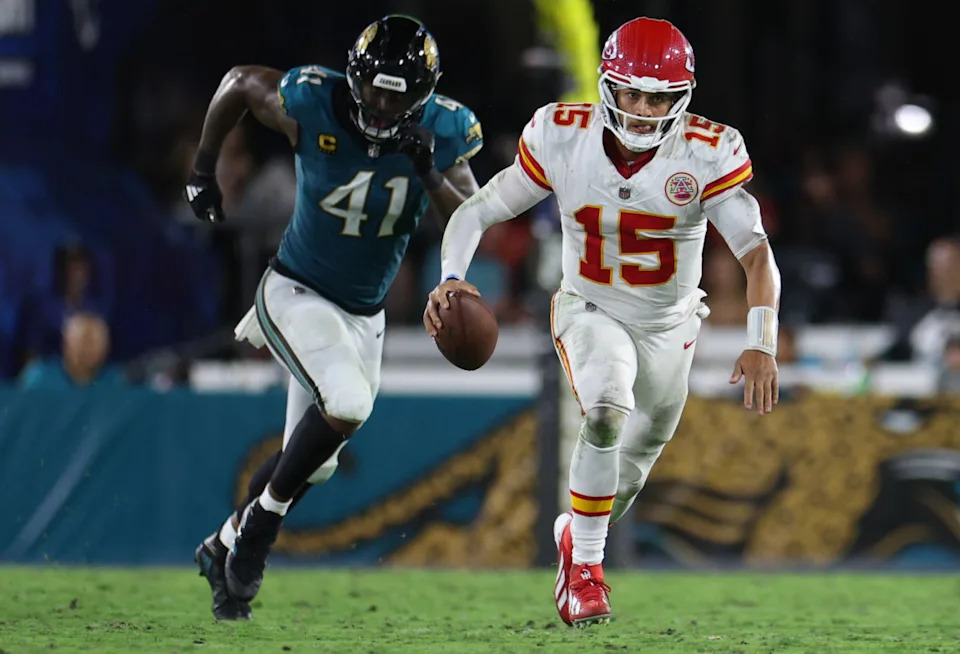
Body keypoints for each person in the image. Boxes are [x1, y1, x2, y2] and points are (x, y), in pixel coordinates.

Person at [424, 17, 780, 627]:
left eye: (660, 97)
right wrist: (452, 274)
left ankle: (577, 536)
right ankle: (586, 575)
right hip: (590, 306)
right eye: (633, 92)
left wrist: (761, 341)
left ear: (681, 99)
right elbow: (478, 209)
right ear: (607, 86)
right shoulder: (564, 136)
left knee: (628, 473)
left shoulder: (707, 149)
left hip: (671, 325)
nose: (643, 109)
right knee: (607, 408)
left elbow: (755, 254)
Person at [183, 15, 483, 621]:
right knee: (346, 403)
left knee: (316, 461)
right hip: (295, 289)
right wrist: (201, 168)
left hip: (363, 314)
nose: (377, 105)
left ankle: (223, 544)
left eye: (395, 97)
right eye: (372, 88)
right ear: (354, 74)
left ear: (423, 97)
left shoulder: (444, 130)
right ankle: (259, 531)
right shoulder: (312, 99)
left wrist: (427, 170)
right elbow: (240, 81)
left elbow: (473, 216)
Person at [19, 312, 125, 389]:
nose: (87, 349)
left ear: (106, 348)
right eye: (82, 341)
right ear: (65, 344)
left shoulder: (115, 382)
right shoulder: (40, 377)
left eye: (93, 342)